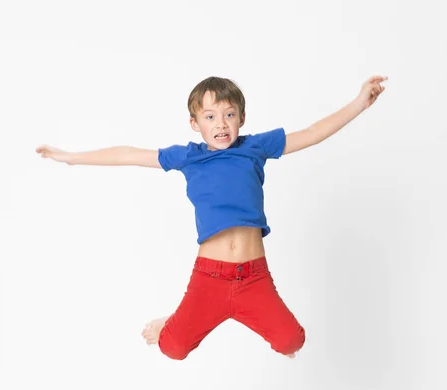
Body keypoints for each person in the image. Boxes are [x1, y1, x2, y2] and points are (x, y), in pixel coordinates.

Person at [36, 74, 387, 361]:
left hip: (253, 277)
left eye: (229, 114)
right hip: (210, 276)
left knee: (291, 341)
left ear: (241, 119)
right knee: (172, 348)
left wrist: (359, 103)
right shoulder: (187, 157)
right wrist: (72, 157)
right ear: (195, 123)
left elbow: (311, 134)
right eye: (210, 117)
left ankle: (192, 319)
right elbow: (128, 154)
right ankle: (172, 321)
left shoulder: (255, 148)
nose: (221, 124)